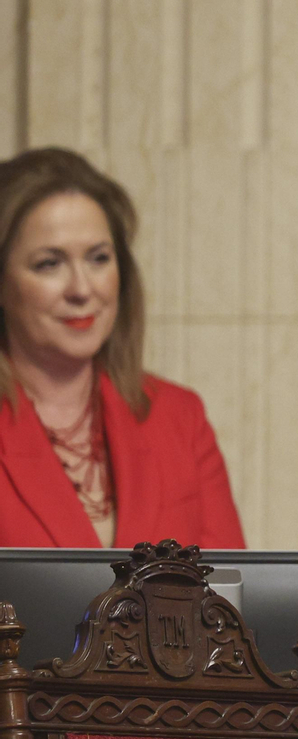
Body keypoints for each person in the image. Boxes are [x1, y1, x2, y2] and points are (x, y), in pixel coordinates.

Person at [0, 148, 244, 549]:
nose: (82, 289)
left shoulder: (180, 417)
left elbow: (231, 597)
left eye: (99, 258)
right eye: (49, 264)